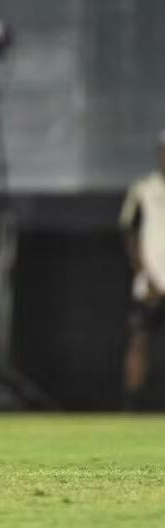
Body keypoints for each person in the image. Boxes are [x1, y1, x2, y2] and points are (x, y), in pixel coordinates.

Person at [119, 133, 165, 409]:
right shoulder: (143, 189)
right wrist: (144, 275)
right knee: (139, 342)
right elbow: (130, 234)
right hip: (151, 283)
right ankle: (132, 408)